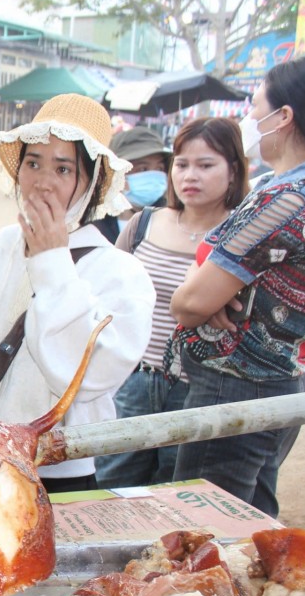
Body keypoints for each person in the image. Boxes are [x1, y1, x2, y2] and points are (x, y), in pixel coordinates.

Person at [0, 94, 155, 493]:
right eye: (32, 163)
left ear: (92, 181)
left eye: (63, 168)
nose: (43, 181)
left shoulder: (121, 273)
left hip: (57, 473)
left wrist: (52, 262)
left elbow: (89, 374)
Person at [169, 57, 305, 518]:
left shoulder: (287, 199)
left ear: (284, 117)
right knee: (252, 515)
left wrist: (204, 296)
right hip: (275, 379)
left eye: (256, 107)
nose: (250, 119)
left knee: (206, 524)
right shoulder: (299, 188)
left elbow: (189, 303)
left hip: (234, 385)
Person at [95, 118, 248, 489]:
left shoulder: (245, 236)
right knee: (110, 486)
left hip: (199, 390)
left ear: (233, 171)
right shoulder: (143, 224)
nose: (190, 175)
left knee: (173, 493)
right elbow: (106, 295)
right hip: (132, 380)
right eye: (182, 164)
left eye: (205, 165)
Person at [93, 126, 171, 244]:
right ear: (116, 172)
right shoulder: (94, 224)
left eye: (160, 168)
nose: (154, 176)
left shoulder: (173, 222)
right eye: (143, 169)